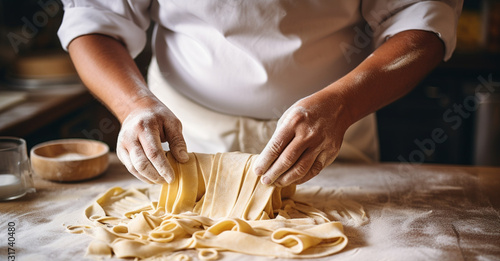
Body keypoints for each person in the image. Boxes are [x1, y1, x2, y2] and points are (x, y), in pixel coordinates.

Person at [58, 0, 463, 186]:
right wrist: (134, 105)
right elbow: (95, 19)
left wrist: (344, 103)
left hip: (331, 131)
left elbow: (421, 20)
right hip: (183, 137)